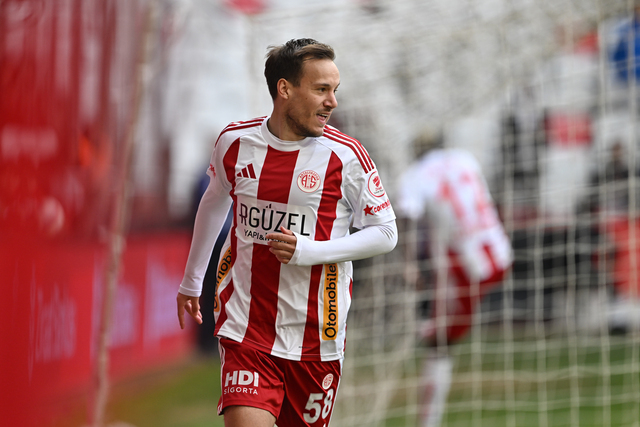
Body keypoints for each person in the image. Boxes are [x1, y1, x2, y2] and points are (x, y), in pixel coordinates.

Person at [176, 38, 398, 427]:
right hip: (247, 327)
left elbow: (386, 232)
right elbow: (215, 199)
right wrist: (192, 281)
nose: (332, 102)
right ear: (285, 89)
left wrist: (308, 251)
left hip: (318, 336)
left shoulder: (346, 156)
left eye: (335, 90)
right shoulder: (235, 142)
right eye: (321, 89)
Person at [396, 133, 512, 427]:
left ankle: (428, 422)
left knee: (439, 344)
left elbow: (407, 219)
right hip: (498, 250)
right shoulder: (464, 158)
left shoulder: (413, 176)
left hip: (468, 265)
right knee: (440, 338)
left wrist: (410, 265)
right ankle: (430, 324)